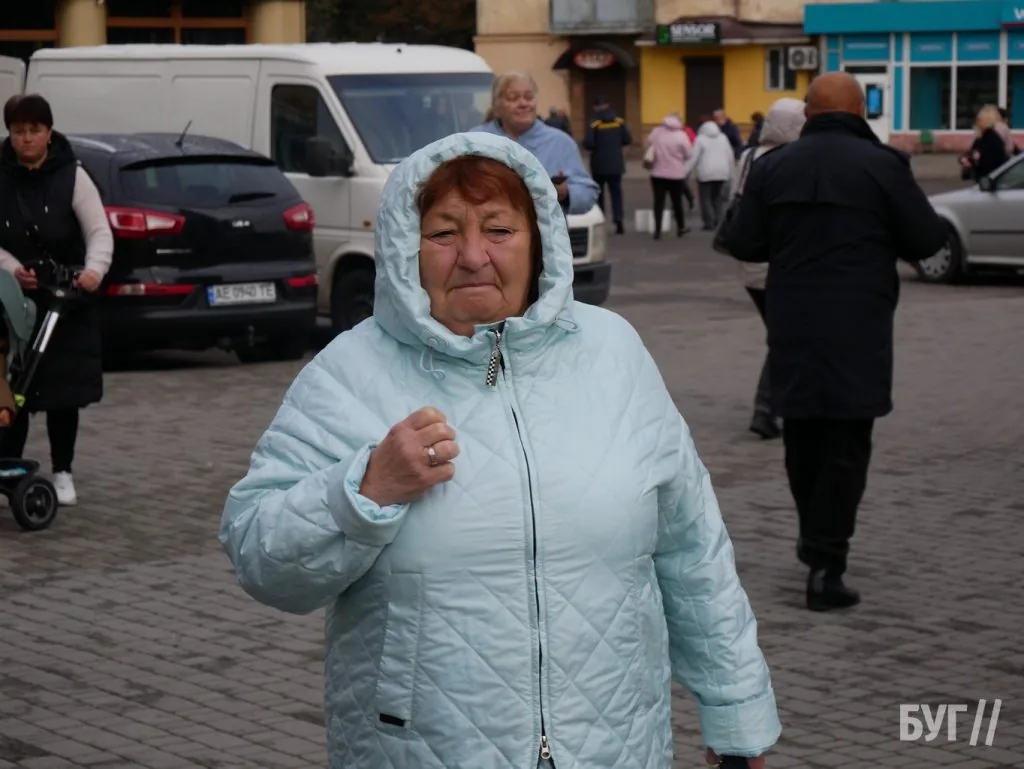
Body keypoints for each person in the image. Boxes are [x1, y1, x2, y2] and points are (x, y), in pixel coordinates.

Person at [219, 132, 781, 769]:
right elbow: (260, 559)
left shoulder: (612, 352)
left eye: (498, 229)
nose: (473, 256)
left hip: (616, 741)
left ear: (539, 239)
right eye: (443, 233)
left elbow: (691, 546)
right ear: (407, 246)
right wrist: (363, 491)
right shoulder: (351, 372)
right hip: (421, 749)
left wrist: (736, 709)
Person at [725, 72, 947, 611]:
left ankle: (814, 537)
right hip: (859, 324)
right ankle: (827, 563)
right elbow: (926, 239)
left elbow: (743, 240)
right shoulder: (884, 165)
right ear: (860, 110)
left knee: (802, 437)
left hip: (794, 321)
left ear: (808, 112)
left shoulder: (774, 166)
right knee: (847, 443)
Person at [0, 94, 113, 506]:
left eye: (34, 131)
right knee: (15, 388)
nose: (26, 139)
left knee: (64, 392)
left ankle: (63, 471)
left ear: (48, 133)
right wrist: (13, 269)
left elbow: (99, 230)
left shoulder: (74, 175)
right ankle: (8, 469)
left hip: (68, 298)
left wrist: (94, 270)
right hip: (17, 298)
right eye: (18, 132)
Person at [728, 98, 805, 441]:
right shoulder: (792, 161)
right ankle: (766, 409)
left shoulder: (748, 156)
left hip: (749, 264)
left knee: (785, 336)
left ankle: (783, 404)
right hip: (779, 264)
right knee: (786, 338)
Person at [470, 71, 598, 216]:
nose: (523, 104)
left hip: (544, 237)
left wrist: (565, 193)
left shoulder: (560, 143)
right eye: (513, 98)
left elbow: (588, 194)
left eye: (529, 97)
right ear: (497, 107)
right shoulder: (474, 141)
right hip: (489, 235)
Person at [583, 95, 632, 234]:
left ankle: (601, 221)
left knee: (599, 193)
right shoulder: (619, 121)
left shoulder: (594, 123)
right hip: (616, 163)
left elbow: (589, 143)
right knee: (616, 192)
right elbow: (627, 140)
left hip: (599, 164)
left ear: (595, 107)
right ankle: (619, 220)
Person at [644, 112, 692, 238]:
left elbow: (647, 144)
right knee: (677, 202)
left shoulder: (656, 132)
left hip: (657, 173)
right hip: (676, 174)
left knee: (658, 202)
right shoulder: (681, 135)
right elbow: (688, 154)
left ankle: (657, 230)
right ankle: (681, 227)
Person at [685, 114, 735, 230]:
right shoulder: (723, 138)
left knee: (705, 198)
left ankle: (709, 222)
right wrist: (731, 172)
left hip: (706, 173)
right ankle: (719, 221)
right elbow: (730, 155)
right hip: (722, 172)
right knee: (717, 198)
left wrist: (685, 171)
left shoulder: (700, 139)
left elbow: (693, 157)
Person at [960, 104, 1010, 180]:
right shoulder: (982, 137)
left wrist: (973, 160)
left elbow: (989, 162)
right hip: (985, 179)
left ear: (987, 121)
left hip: (989, 180)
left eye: (979, 120)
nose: (977, 123)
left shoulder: (991, 138)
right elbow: (972, 152)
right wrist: (965, 158)